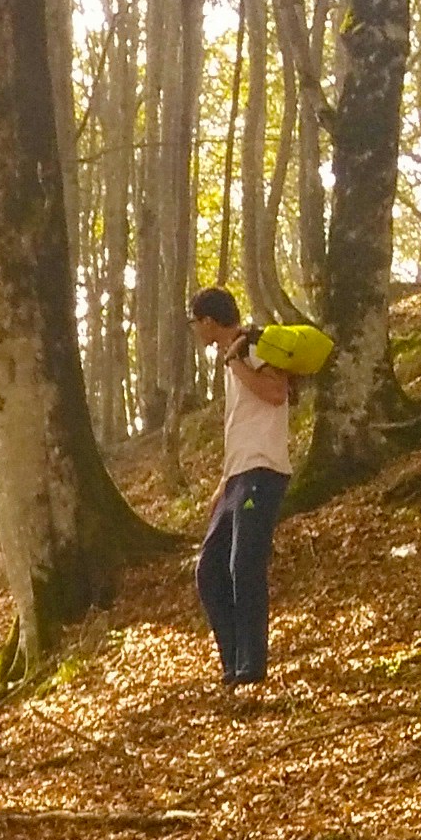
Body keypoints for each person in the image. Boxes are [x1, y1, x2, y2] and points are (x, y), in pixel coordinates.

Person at [187, 287, 293, 687]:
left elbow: (277, 392)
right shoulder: (232, 358)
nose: (196, 330)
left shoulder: (254, 346)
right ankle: (233, 663)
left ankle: (252, 666)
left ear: (209, 321)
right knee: (209, 570)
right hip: (238, 477)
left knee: (244, 565)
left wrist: (236, 362)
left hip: (263, 471)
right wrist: (223, 482)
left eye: (196, 322)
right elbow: (240, 424)